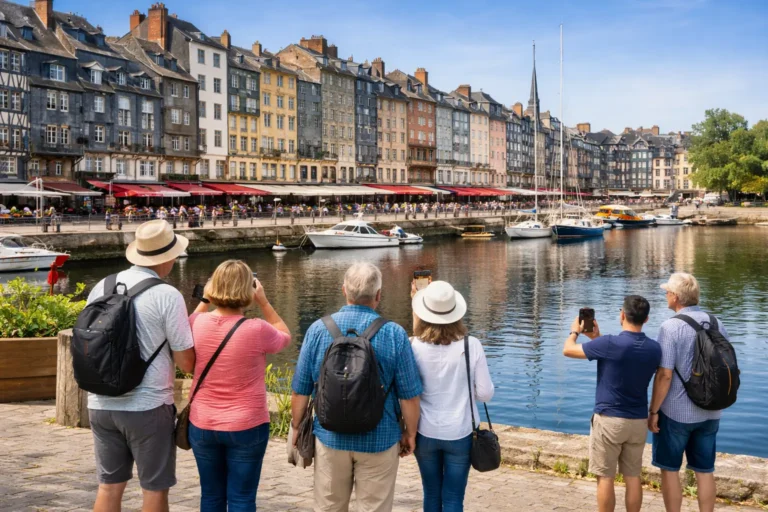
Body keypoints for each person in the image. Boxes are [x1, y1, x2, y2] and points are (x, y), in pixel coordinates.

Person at [291, 262, 423, 512]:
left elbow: (301, 389)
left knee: (329, 507)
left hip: (330, 436)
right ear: (378, 295)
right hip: (380, 437)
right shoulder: (394, 334)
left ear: (344, 290)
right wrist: (410, 433)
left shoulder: (318, 330)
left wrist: (297, 428)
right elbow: (409, 396)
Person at [86, 220, 196, 512]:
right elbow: (186, 362)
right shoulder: (167, 295)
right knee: (154, 490)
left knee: (109, 487)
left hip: (100, 402)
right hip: (147, 407)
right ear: (168, 258)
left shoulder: (102, 286)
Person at [188, 260, 291, 511]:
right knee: (242, 497)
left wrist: (206, 297)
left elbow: (194, 316)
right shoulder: (257, 329)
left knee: (210, 495)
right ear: (250, 289)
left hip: (203, 422)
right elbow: (285, 336)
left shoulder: (194, 323)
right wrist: (264, 303)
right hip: (247, 424)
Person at [562, 296, 661, 512]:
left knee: (605, 477)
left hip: (609, 420)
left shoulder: (609, 344)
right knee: (633, 477)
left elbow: (568, 350)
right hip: (638, 421)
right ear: (646, 319)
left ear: (622, 315)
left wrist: (575, 332)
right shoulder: (654, 349)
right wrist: (596, 337)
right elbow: (624, 353)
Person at [410, 280, 494, 512]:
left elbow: (408, 390)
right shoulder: (472, 345)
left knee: (431, 494)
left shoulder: (413, 346)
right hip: (460, 432)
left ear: (423, 313)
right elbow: (485, 394)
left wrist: (415, 306)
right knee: (454, 497)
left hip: (424, 431)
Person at [649, 273, 726, 512]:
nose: (665, 295)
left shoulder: (670, 327)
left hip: (676, 413)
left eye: (667, 292)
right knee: (705, 472)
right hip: (711, 410)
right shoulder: (716, 322)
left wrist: (653, 411)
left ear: (675, 297)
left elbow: (665, 375)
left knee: (670, 470)